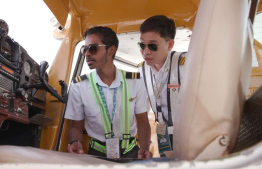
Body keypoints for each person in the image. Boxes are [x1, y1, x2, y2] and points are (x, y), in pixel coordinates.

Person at [65, 26, 152, 159]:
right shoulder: (78, 86)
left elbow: (143, 121)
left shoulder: (135, 82)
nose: (87, 54)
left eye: (93, 48)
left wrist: (144, 148)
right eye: (84, 49)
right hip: (97, 154)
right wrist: (75, 142)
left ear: (111, 50)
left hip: (131, 152)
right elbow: (75, 126)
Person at [137, 15, 186, 155]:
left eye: (152, 46)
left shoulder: (186, 65)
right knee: (166, 161)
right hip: (162, 130)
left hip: (188, 131)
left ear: (170, 44)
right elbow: (141, 110)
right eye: (142, 45)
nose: (145, 51)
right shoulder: (141, 71)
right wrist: (144, 147)